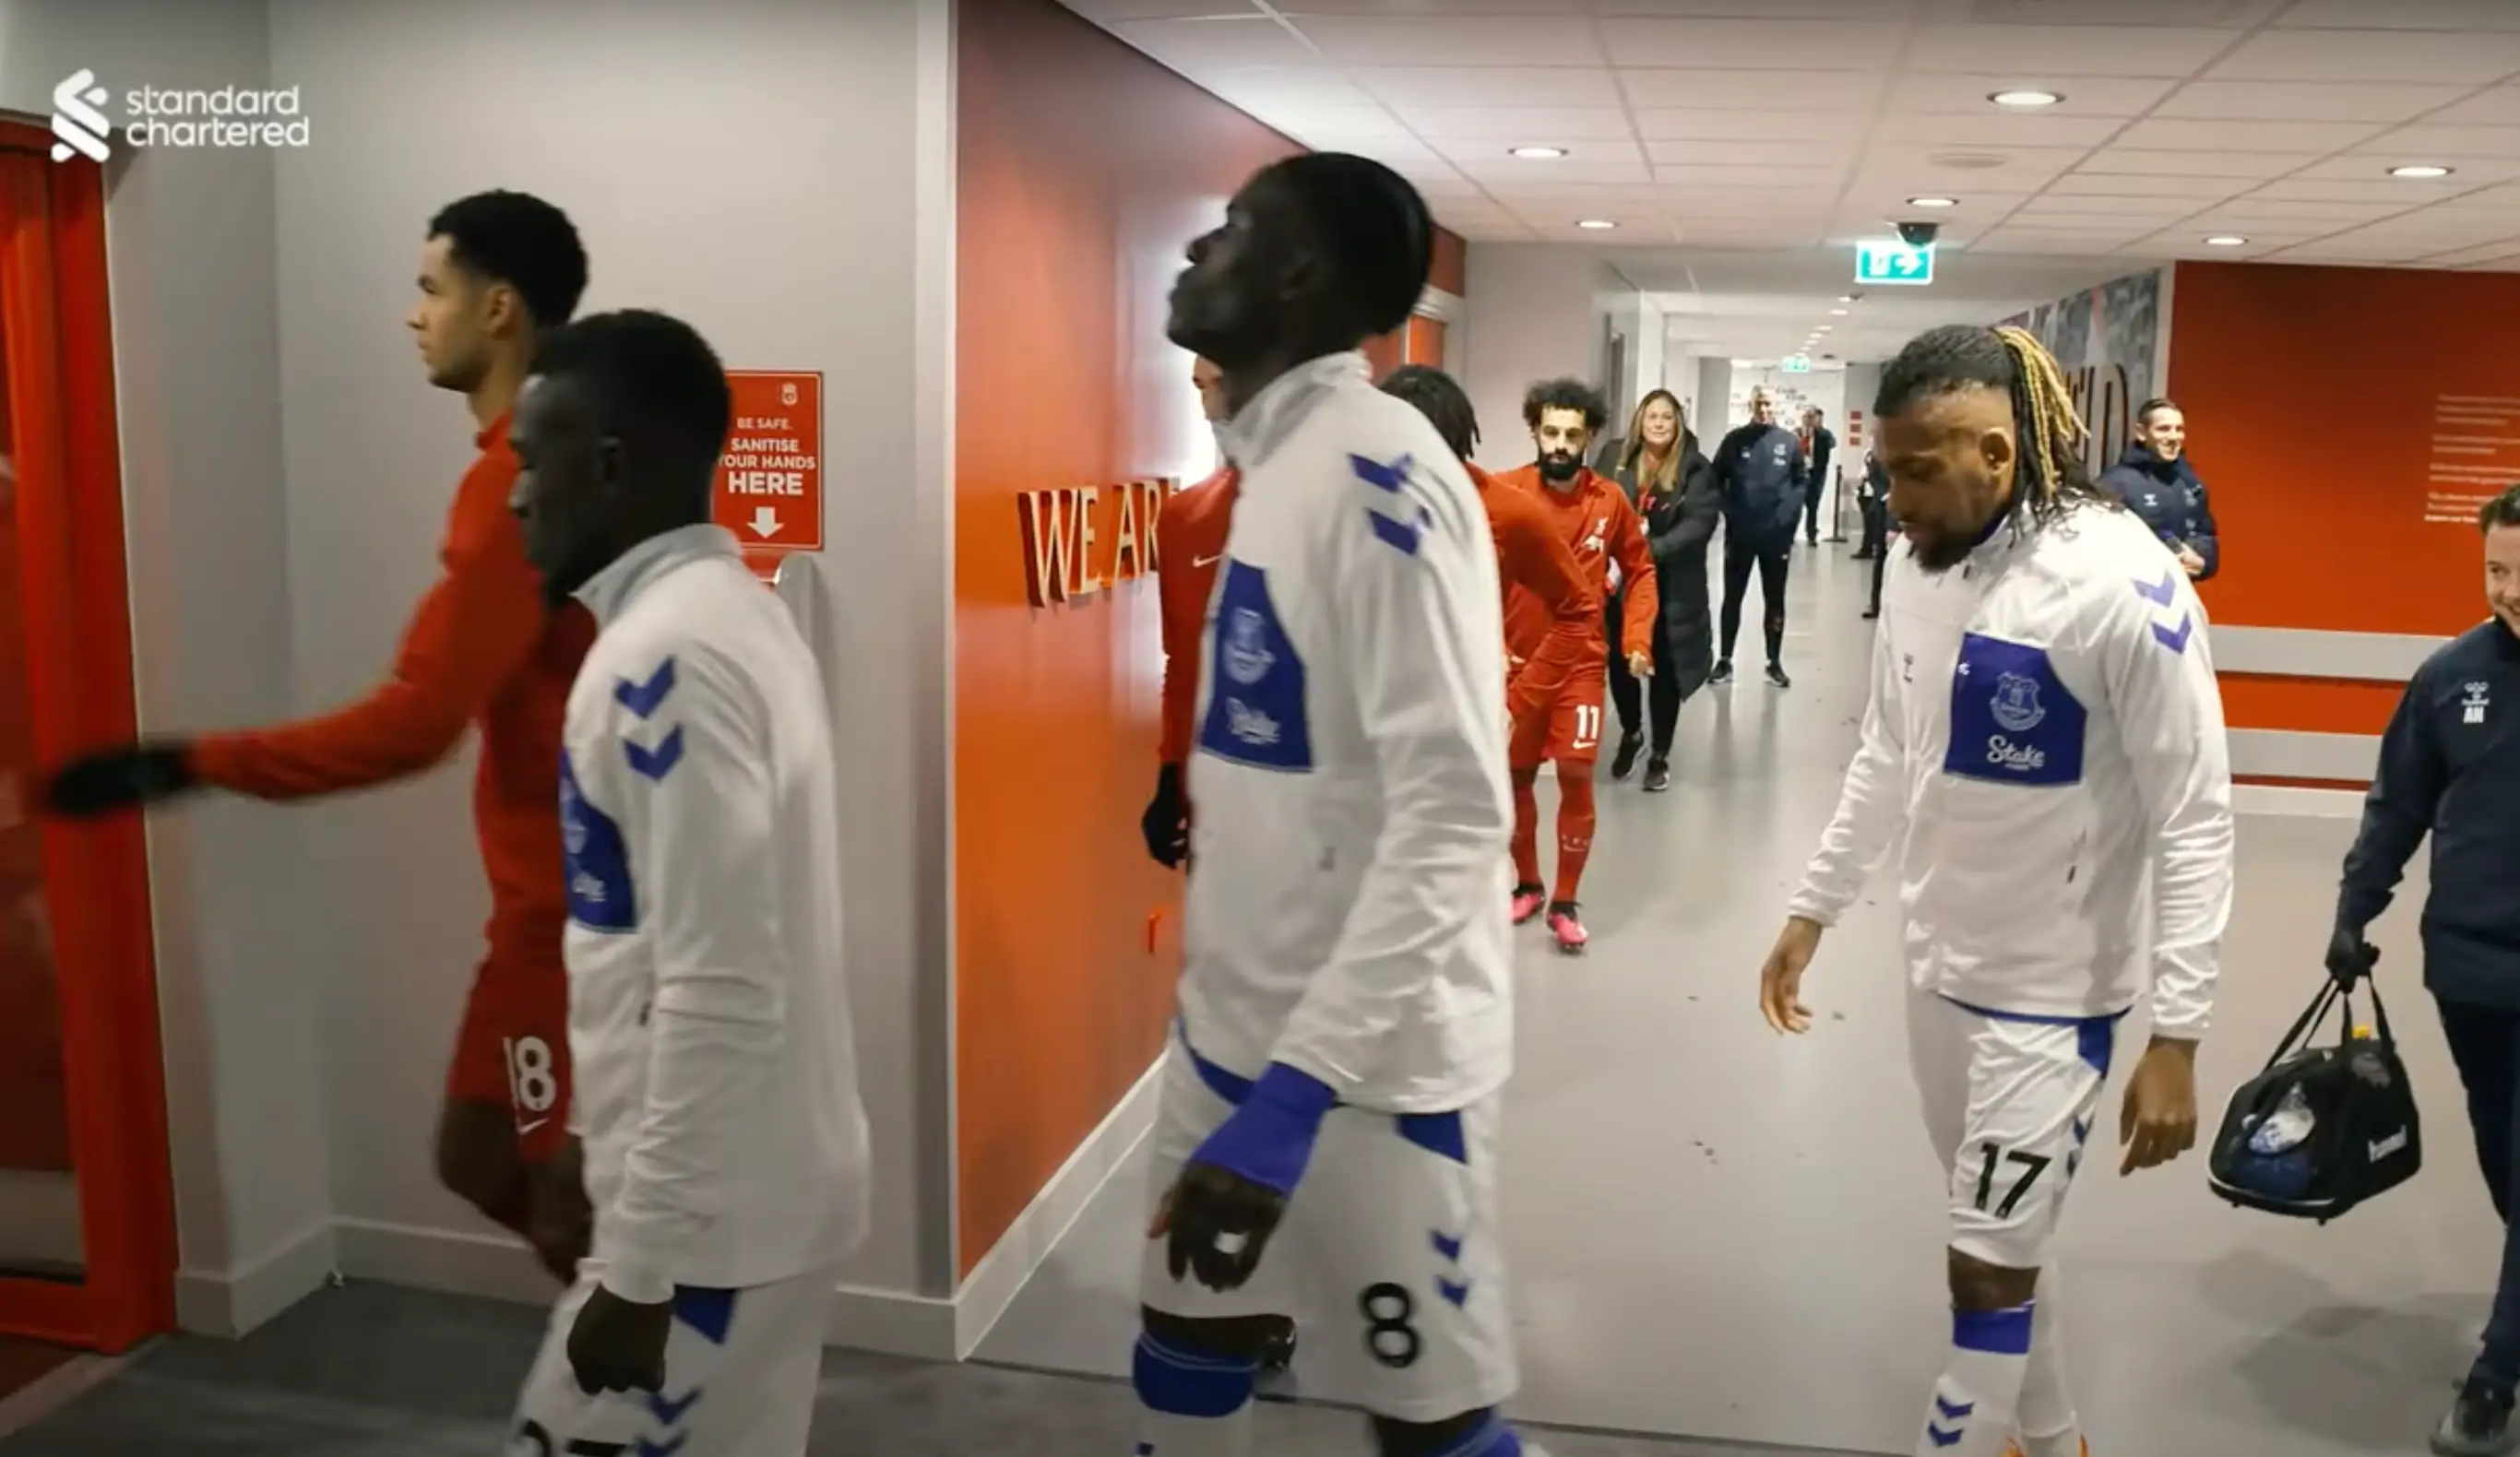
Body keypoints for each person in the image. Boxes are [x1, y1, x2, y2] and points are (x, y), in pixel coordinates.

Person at [41, 190, 596, 1283]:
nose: (411, 315)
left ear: (497, 309)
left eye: (430, 288)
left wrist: (186, 762)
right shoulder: (541, 464)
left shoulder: (514, 486)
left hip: (574, 918)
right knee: (481, 1156)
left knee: (561, 1194)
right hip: (540, 908)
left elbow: (410, 726)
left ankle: (663, 1393)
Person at [1133, 150, 1550, 1457]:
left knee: (1433, 1427)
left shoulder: (1378, 483)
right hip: (1229, 1042)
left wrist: (1292, 1103)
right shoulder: (1274, 470)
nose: (1199, 253)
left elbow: (1452, 818)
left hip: (1366, 1084)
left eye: (1233, 233)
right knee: (1182, 1354)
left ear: (1301, 279)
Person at [1759, 325, 2234, 1457]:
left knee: (1981, 1262)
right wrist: (1812, 906)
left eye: (1915, 471)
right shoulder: (1918, 567)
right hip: (1938, 969)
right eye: (1885, 470)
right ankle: (2054, 1431)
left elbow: (2194, 813)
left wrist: (2178, 1028)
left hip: (2053, 994)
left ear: (1995, 452)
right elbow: (1885, 749)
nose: (1892, 497)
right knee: (2005, 1237)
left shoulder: (2123, 586)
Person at [503, 307, 870, 1455]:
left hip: (713, 1233)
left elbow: (720, 981)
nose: (515, 496)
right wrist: (597, 1139)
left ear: (608, 463)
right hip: (735, 1194)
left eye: (530, 458)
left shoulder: (667, 657)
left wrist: (644, 1262)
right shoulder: (734, 616)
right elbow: (649, 949)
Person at [2325, 482, 2520, 1455]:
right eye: (2495, 570)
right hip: (2470, 973)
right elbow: (2396, 803)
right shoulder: (2450, 676)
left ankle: (2493, 1375)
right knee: (2503, 1158)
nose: (2511, 590)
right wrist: (2353, 905)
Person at [1495, 379, 1656, 954]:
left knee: (1575, 772)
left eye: (1571, 434)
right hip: (1515, 667)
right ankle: (1528, 884)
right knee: (1514, 779)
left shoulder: (1609, 501)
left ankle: (1565, 901)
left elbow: (1640, 572)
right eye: (1550, 432)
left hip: (1580, 666)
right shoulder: (1506, 493)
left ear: (1589, 436)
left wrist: (1636, 638)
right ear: (1536, 432)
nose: (1560, 444)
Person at [1378, 364, 1597, 770]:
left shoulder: (1506, 511)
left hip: (1459, 725)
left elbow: (1577, 609)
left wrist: (1518, 703)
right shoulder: (1357, 499)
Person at [1144, 356, 1240, 871]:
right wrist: (1170, 778)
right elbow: (1182, 667)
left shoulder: (1359, 508)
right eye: (1200, 388)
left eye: (1222, 384)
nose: (1209, 409)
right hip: (1220, 815)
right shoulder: (1186, 519)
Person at [1604, 389, 1718, 792]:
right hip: (1620, 586)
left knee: (1665, 672)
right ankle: (1632, 733)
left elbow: (1699, 526)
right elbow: (1596, 504)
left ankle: (1660, 753)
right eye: (1651, 415)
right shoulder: (1615, 459)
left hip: (1672, 588)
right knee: (1621, 664)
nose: (1657, 423)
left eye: (1666, 417)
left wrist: (1649, 551)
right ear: (1640, 420)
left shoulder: (1695, 468)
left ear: (1678, 423)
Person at [1710, 387, 1807, 689]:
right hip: (1740, 535)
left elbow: (1801, 484)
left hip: (1775, 538)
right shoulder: (1735, 441)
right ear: (1751, 405)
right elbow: (1715, 480)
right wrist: (1731, 512)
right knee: (1732, 598)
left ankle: (1773, 661)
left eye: (1769, 404)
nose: (1764, 409)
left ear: (1775, 407)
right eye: (1759, 403)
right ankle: (1725, 659)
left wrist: (1787, 520)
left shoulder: (1789, 443)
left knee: (1774, 599)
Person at [2098, 397, 2217, 581]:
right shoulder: (2114, 484)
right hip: (2128, 599)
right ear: (2141, 433)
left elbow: (2204, 533)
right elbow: (2097, 548)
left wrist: (2201, 561)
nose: (2173, 437)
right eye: (2163, 429)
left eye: (2179, 429)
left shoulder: (2191, 483)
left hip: (2177, 600)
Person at [1860, 448, 1895, 622]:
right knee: (1880, 558)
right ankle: (1876, 604)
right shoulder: (1877, 454)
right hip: (1883, 511)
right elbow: (1875, 478)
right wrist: (1887, 495)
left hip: (1905, 512)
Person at [1800, 405, 1837, 546]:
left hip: (1816, 475)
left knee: (1813, 506)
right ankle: (1789, 534)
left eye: (1811, 417)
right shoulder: (1796, 434)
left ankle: (1811, 535)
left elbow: (1833, 443)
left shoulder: (1823, 435)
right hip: (1800, 474)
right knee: (1795, 505)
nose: (1808, 420)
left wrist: (1819, 429)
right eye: (1806, 417)